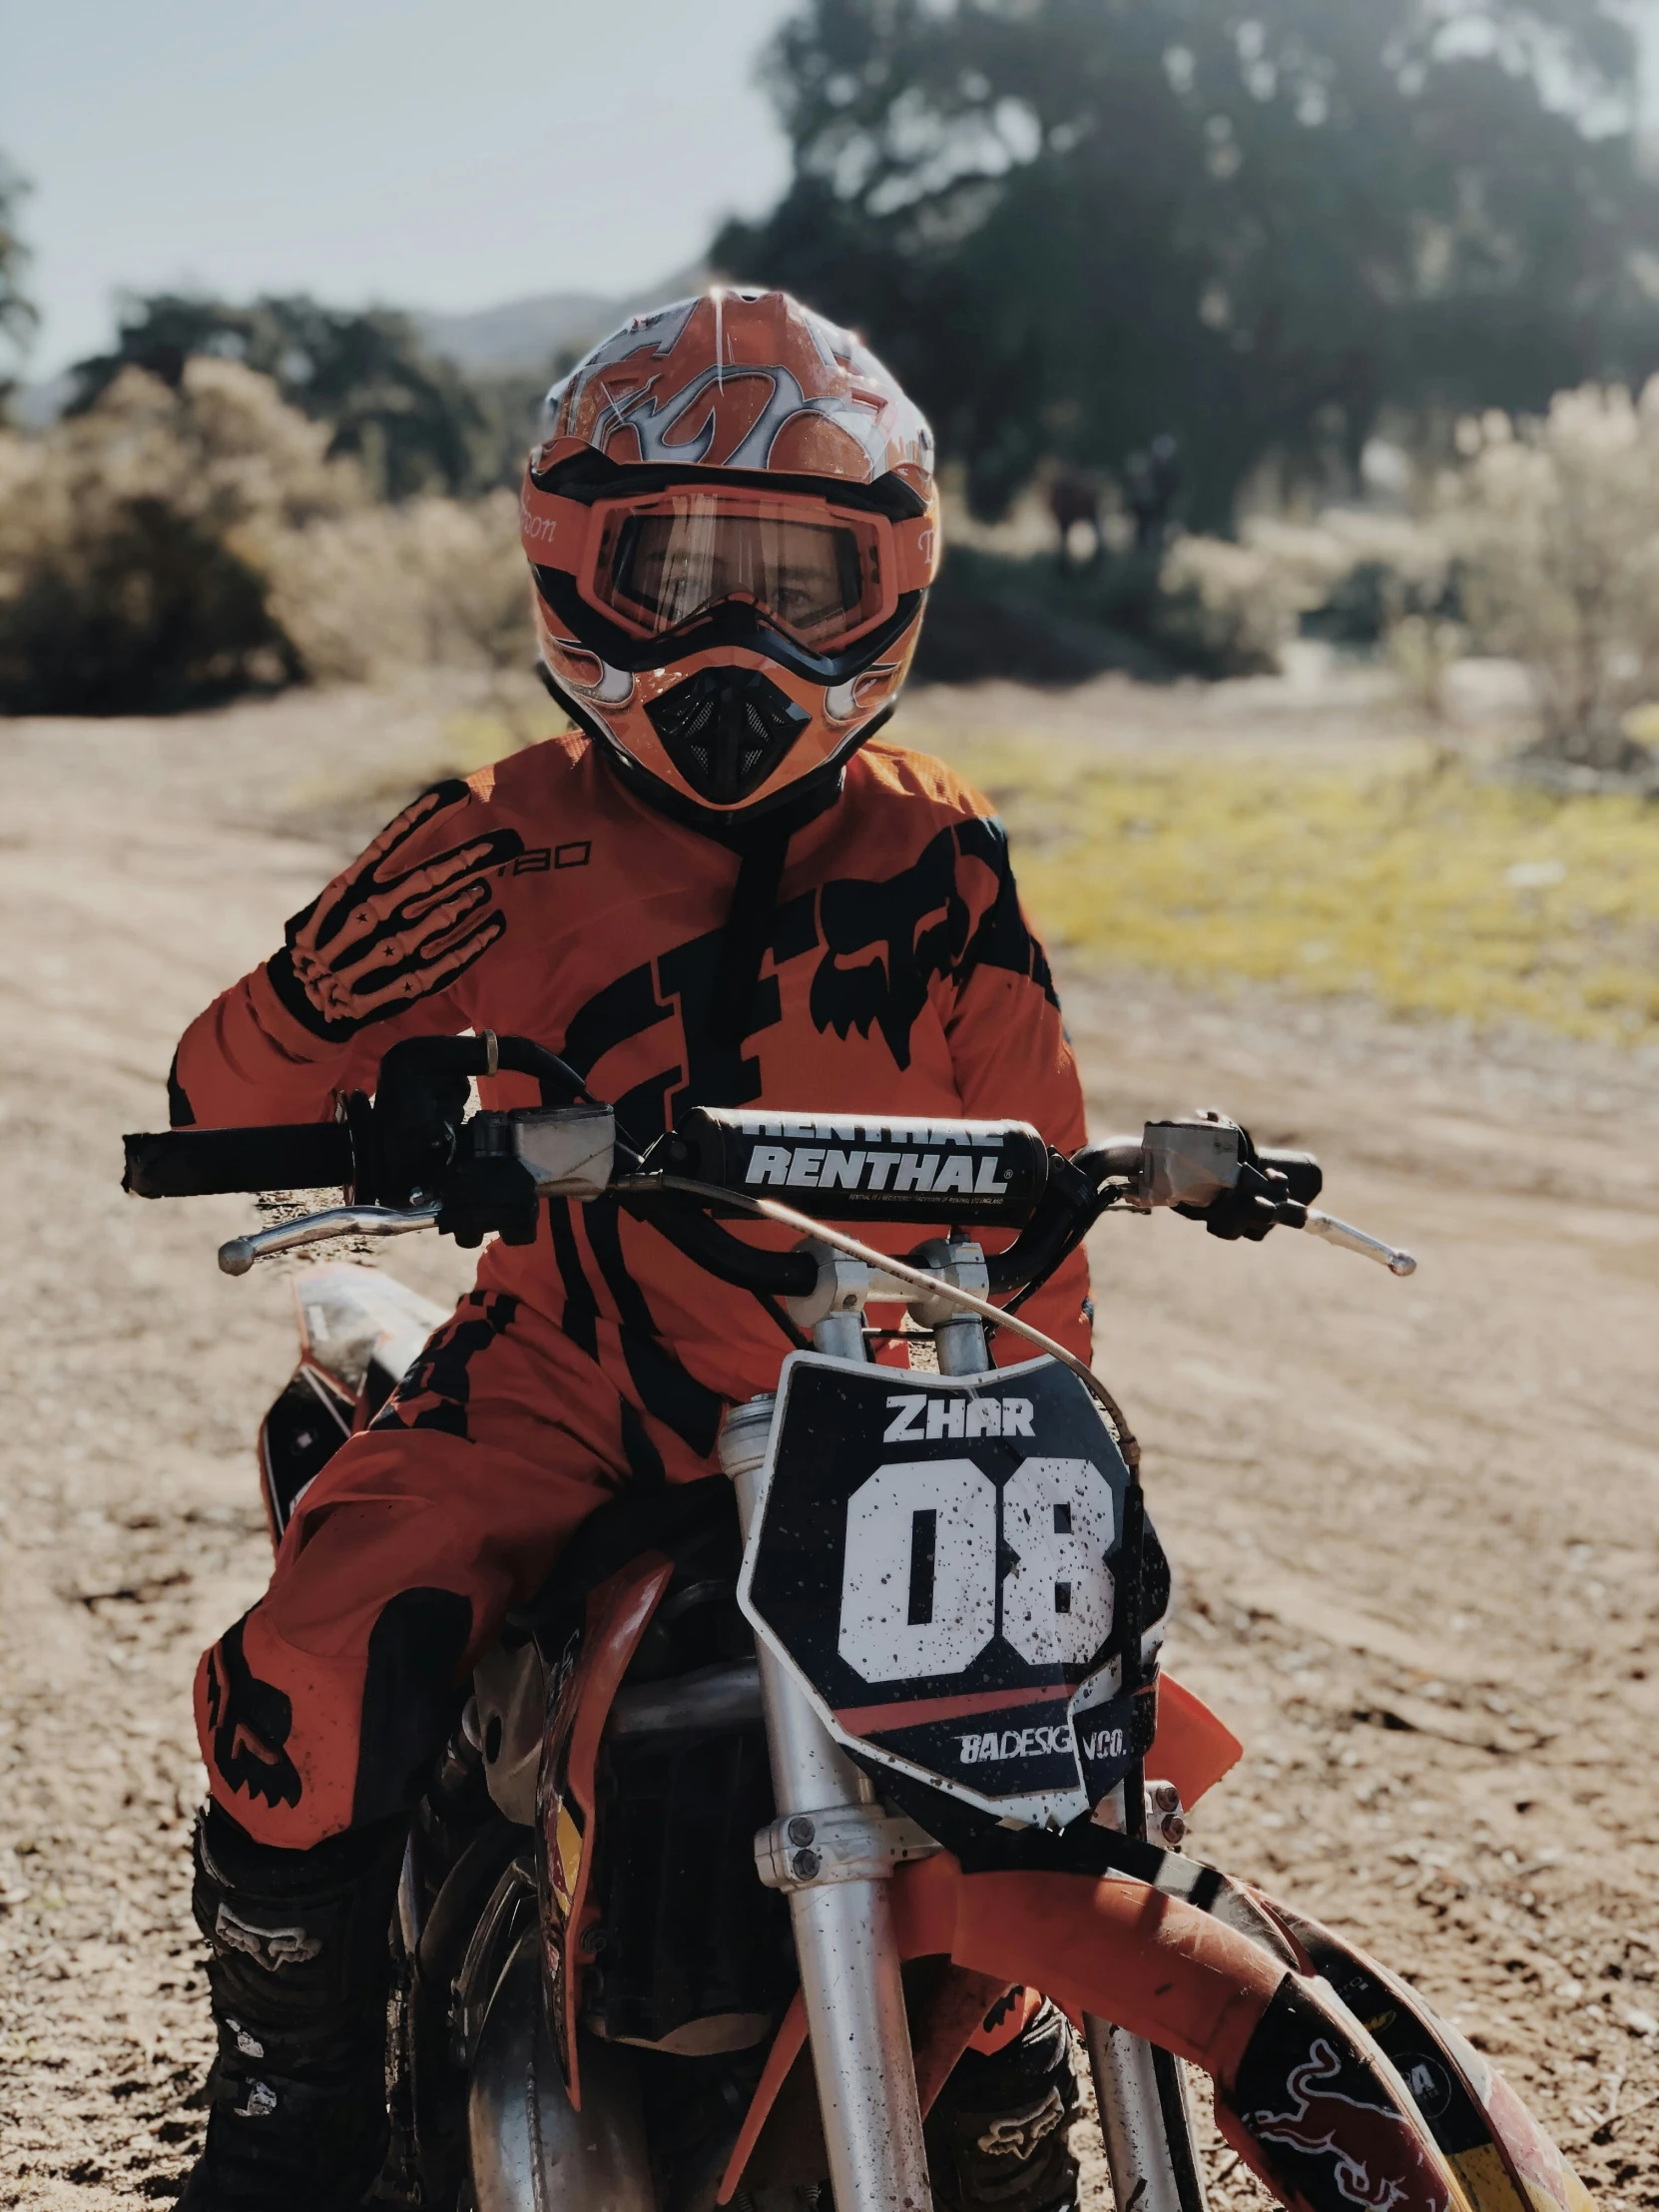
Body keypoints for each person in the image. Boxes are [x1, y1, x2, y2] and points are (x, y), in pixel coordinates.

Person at [167, 289, 1093, 2212]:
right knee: (318, 1654)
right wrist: (304, 1001)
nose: (740, 639)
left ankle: (1005, 2083)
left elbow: (1038, 1196)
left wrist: (1037, 1431)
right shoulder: (498, 838)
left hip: (871, 1402)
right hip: (562, 1381)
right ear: (580, 565)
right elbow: (208, 1106)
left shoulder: (945, 859)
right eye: (682, 570)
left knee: (1058, 1712)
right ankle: (290, 2102)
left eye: (798, 578)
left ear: (890, 587)